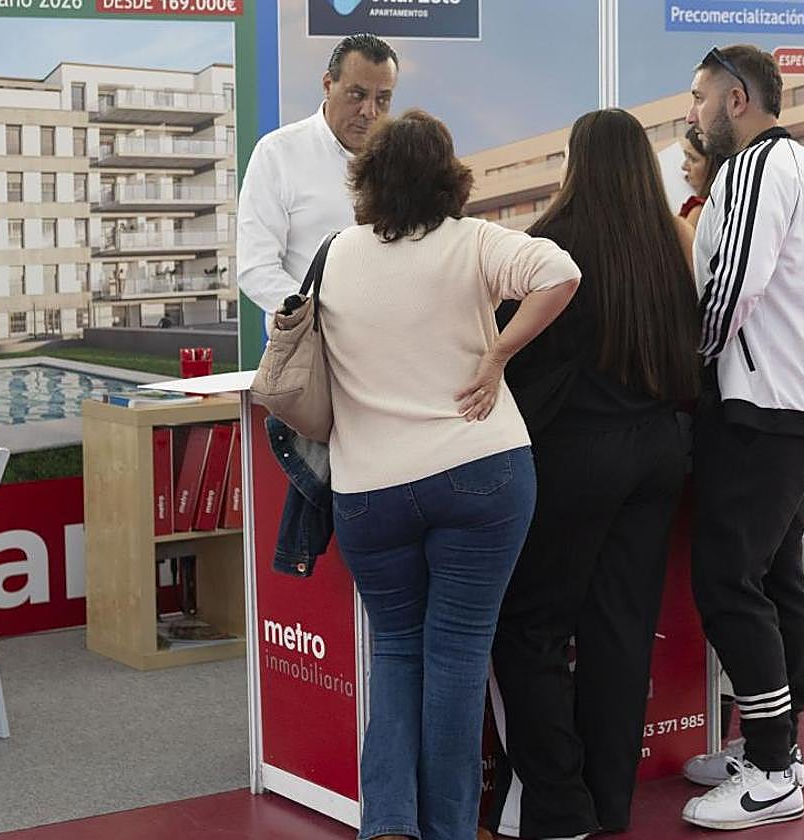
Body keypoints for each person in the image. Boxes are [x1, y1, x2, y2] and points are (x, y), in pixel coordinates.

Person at [319, 109, 581, 840]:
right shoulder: (474, 242)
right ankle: (449, 831)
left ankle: (388, 825)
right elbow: (560, 273)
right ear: (449, 178)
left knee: (396, 652)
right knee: (459, 657)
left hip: (369, 488)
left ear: (368, 179)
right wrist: (497, 355)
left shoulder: (335, 255)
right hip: (480, 470)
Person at [482, 109, 701, 840]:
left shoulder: (549, 243)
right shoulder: (671, 240)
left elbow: (507, 346)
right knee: (621, 631)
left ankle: (557, 806)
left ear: (575, 163)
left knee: (530, 626)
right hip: (660, 451)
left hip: (576, 456)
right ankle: (608, 802)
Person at [679, 45, 804, 831]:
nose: (693, 112)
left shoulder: (752, 168)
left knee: (728, 581)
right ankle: (776, 747)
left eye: (699, 97)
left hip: (758, 405)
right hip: (799, 404)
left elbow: (729, 288)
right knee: (777, 577)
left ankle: (774, 772)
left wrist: (689, 367)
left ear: (737, 98)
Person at [237, 33, 399, 332]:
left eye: (382, 99)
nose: (370, 111)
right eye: (357, 95)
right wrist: (324, 316)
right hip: (312, 344)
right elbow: (256, 269)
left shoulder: (401, 160)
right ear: (327, 84)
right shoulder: (278, 153)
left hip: (391, 342)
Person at [677, 127, 722, 231]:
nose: (684, 166)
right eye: (686, 157)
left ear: (712, 166)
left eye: (692, 159)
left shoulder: (699, 210)